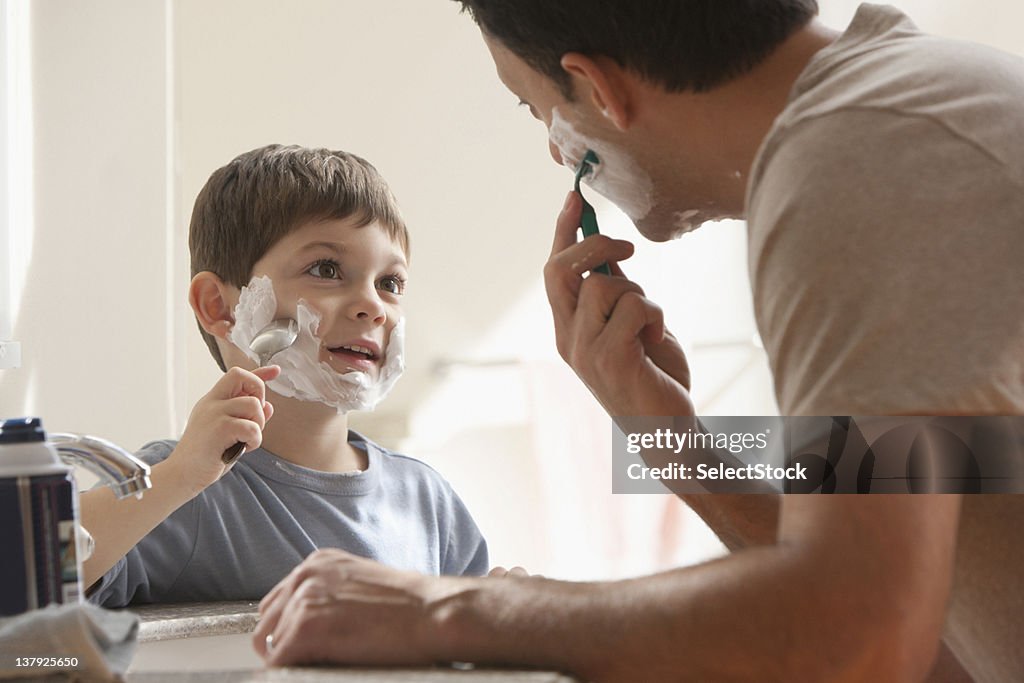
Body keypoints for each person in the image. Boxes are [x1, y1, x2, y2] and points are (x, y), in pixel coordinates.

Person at [253, 3, 1024, 681]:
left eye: (536, 111)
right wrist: (671, 440)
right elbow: (929, 625)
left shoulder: (865, 161)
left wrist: (452, 608)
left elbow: (857, 633)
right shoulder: (918, 108)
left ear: (597, 87)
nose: (557, 153)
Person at [81, 144, 489, 607]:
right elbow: (27, 579)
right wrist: (177, 478)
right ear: (221, 307)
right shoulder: (185, 488)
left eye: (389, 283)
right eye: (327, 269)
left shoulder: (426, 499)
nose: (373, 306)